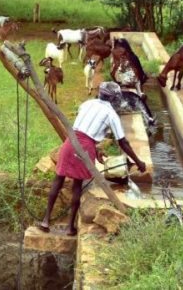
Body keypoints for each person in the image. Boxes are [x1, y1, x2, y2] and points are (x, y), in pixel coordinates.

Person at [39, 81, 147, 236]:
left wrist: (95, 148)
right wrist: (138, 162)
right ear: (114, 99)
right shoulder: (111, 114)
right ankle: (70, 227)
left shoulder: (87, 104)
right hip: (85, 147)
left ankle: (46, 220)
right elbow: (123, 142)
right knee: (77, 185)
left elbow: (82, 129)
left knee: (59, 179)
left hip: (70, 142)